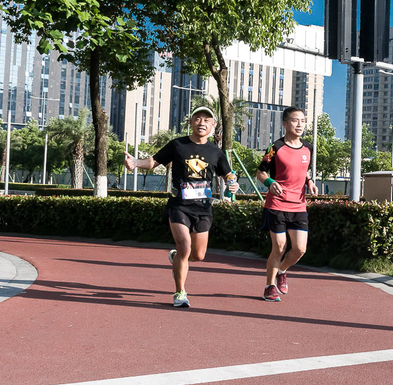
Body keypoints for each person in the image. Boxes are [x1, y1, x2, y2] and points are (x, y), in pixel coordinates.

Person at [124, 106, 238, 308]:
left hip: (203, 208)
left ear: (212, 125)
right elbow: (152, 162)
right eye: (197, 118)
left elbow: (227, 174)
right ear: (191, 122)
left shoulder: (215, 151)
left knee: (198, 255)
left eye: (206, 120)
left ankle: (176, 257)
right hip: (179, 206)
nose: (201, 123)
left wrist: (232, 182)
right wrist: (135, 162)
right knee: (185, 246)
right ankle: (180, 293)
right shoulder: (178, 145)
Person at [256, 106, 318, 302]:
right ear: (285, 124)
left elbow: (304, 169)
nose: (299, 124)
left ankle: (282, 270)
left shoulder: (308, 147)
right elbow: (261, 172)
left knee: (300, 249)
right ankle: (269, 286)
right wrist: (270, 182)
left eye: (302, 120)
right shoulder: (275, 148)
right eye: (294, 120)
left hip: (298, 205)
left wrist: (309, 181)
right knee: (280, 247)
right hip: (276, 204)